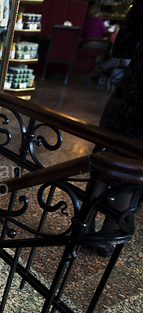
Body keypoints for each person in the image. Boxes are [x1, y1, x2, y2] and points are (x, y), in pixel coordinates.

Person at [90, 0, 143, 257]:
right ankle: (106, 239)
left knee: (104, 159)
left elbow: (121, 48)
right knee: (132, 176)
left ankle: (83, 228)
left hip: (132, 95)